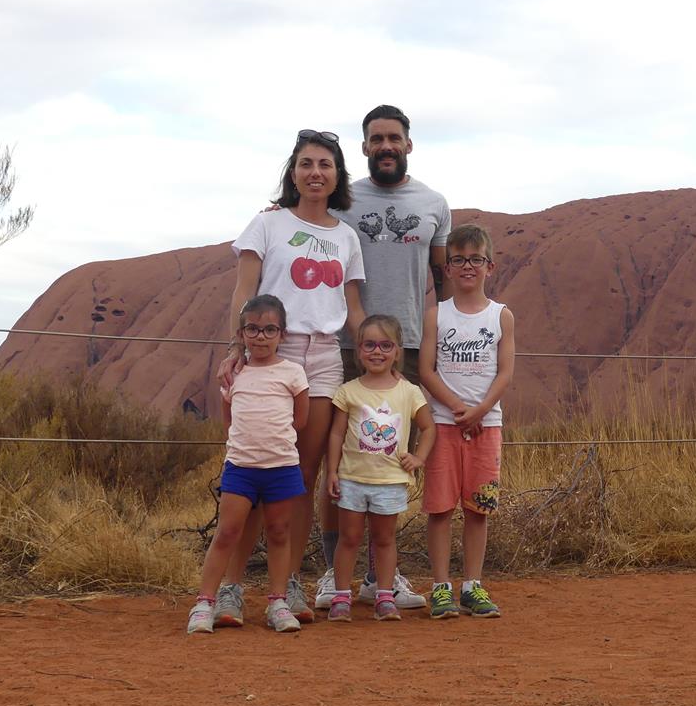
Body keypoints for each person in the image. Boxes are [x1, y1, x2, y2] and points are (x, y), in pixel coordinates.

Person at [212, 130, 365, 627]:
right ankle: (232, 588)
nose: (315, 172)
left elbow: (354, 308)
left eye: (325, 164)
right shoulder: (267, 224)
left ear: (337, 174)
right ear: (293, 172)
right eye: (306, 163)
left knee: (301, 474)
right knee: (257, 464)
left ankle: (288, 583)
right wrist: (236, 347)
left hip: (323, 356)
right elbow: (245, 288)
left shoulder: (346, 236)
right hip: (271, 352)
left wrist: (379, 356)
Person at [315, 104, 451, 613]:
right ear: (365, 147)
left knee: (393, 459)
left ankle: (382, 576)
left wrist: (441, 341)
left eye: (395, 138)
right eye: (377, 139)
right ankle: (335, 573)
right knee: (345, 458)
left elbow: (439, 277)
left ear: (409, 144)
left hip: (410, 346)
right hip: (349, 344)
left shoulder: (434, 202)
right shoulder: (343, 199)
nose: (386, 146)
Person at [187, 294, 308, 634]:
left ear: (282, 335)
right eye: (252, 329)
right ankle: (205, 602)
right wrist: (247, 444)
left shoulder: (293, 373)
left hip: (282, 466)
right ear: (240, 335)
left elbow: (300, 420)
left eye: (270, 329)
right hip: (240, 467)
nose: (260, 337)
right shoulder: (235, 375)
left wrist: (273, 442)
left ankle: (277, 601)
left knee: (280, 532)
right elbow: (228, 420)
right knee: (227, 532)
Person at [419, 223, 515, 619]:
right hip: (443, 425)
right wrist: (460, 410)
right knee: (440, 509)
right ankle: (441, 587)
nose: (467, 267)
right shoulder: (435, 315)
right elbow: (426, 370)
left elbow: (505, 372)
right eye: (458, 260)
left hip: (486, 425)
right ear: (447, 268)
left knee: (479, 508)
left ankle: (473, 586)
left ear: (489, 266)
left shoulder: (501, 316)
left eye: (475, 259)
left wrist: (478, 412)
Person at [323, 314, 435, 622]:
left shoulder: (409, 391)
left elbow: (428, 428)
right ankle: (341, 596)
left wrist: (418, 458)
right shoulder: (349, 391)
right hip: (352, 479)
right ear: (358, 350)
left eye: (386, 345)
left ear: (398, 351)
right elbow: (336, 433)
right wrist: (332, 471)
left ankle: (385, 595)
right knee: (349, 538)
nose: (377, 352)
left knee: (384, 539)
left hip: (389, 480)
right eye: (370, 344)